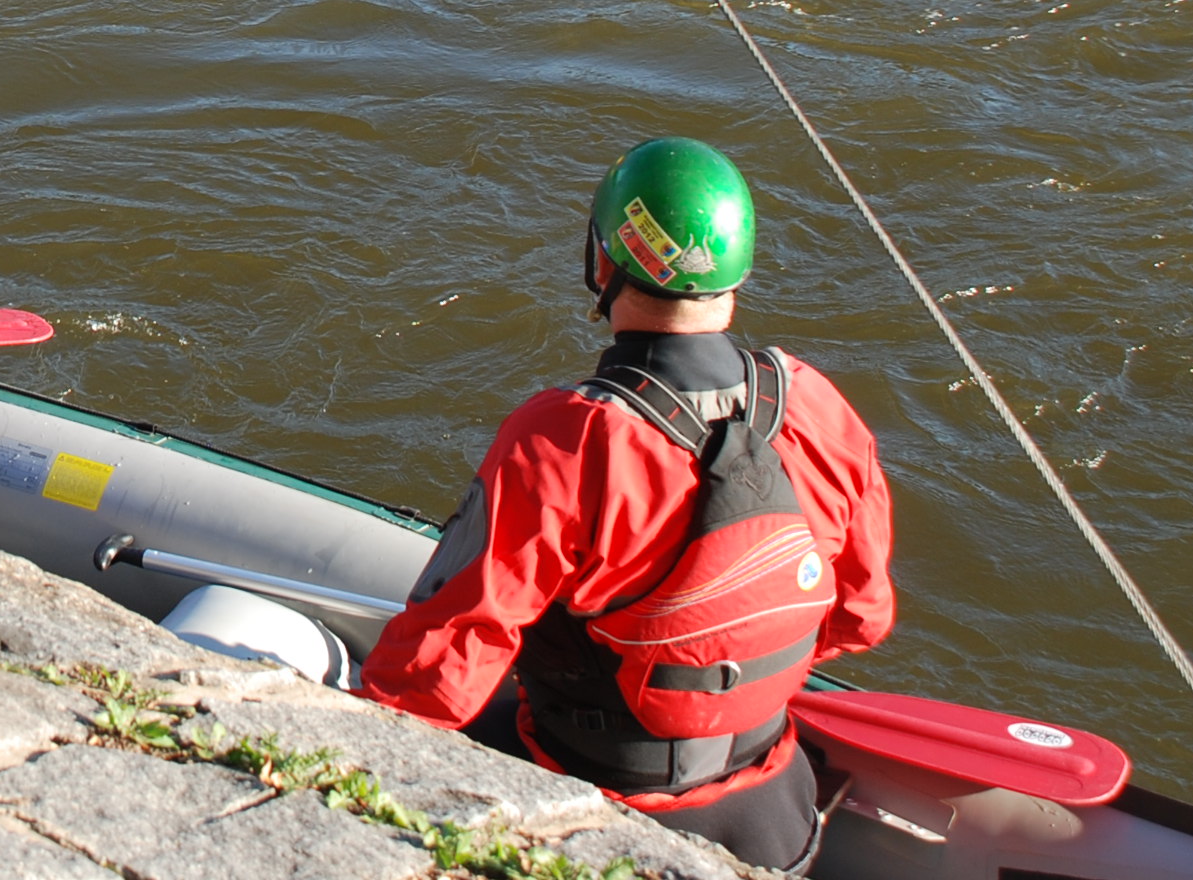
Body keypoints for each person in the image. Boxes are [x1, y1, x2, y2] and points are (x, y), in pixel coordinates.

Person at [359, 138, 894, 875]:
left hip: (596, 808)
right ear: (739, 269)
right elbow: (862, 617)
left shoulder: (568, 439)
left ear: (604, 263)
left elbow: (441, 663)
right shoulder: (817, 406)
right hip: (777, 819)